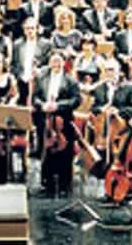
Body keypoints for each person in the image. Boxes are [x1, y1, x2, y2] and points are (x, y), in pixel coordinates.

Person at [33, 52, 81, 195]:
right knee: (46, 151)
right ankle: (46, 183)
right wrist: (43, 105)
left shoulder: (71, 80)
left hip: (63, 119)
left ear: (63, 63)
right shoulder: (41, 78)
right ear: (49, 62)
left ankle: (64, 184)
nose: (56, 64)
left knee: (65, 152)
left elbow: (76, 100)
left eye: (59, 61)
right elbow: (35, 97)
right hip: (45, 119)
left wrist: (58, 106)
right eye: (53, 61)